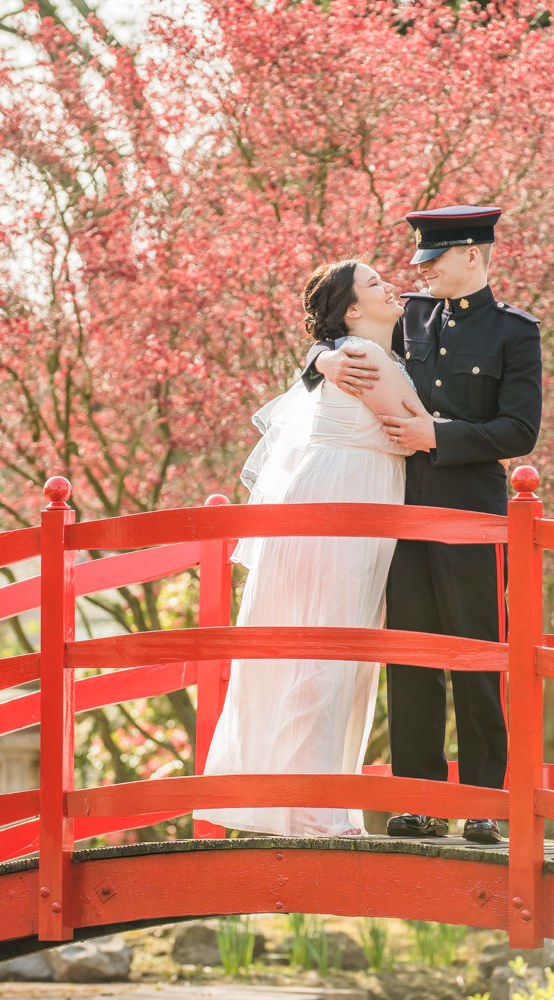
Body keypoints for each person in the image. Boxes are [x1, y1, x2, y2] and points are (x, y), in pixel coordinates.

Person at [302, 205, 542, 844]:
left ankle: (487, 804)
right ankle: (419, 801)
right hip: (402, 511)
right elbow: (334, 328)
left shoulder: (515, 332)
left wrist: (438, 435)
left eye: (434, 261)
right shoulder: (405, 316)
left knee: (477, 655)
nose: (423, 272)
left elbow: (520, 430)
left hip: (474, 514)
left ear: (473, 256)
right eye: (419, 263)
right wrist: (321, 361)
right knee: (409, 657)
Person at [194, 259, 429, 838]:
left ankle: (311, 803)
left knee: (328, 653)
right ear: (352, 310)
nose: (389, 285)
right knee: (327, 650)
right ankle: (315, 810)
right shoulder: (366, 357)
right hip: (342, 509)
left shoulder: (355, 354)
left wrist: (318, 356)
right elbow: (418, 425)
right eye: (374, 284)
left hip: (352, 503)